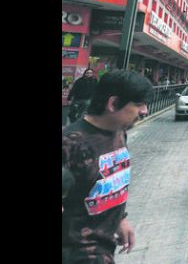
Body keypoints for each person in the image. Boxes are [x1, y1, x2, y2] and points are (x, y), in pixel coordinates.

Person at [62, 69, 153, 262]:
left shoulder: (119, 132)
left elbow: (108, 183)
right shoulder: (70, 145)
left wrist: (120, 218)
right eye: (138, 104)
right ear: (113, 104)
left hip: (105, 248)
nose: (145, 111)